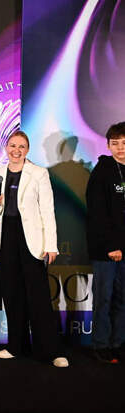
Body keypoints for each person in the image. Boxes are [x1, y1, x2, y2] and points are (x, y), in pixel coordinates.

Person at [0, 130, 69, 367]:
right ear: (6, 148)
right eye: (13, 146)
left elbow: (48, 211)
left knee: (39, 297)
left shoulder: (39, 173)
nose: (16, 150)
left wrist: (51, 244)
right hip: (7, 237)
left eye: (21, 146)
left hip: (32, 240)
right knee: (12, 295)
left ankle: (52, 352)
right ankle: (16, 346)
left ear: (27, 150)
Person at [86, 122, 125, 364]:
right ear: (109, 145)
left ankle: (118, 343)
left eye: (124, 143)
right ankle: (101, 344)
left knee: (123, 299)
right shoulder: (102, 171)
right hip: (106, 250)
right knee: (104, 298)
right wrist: (112, 245)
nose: (120, 148)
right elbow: (97, 213)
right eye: (115, 143)